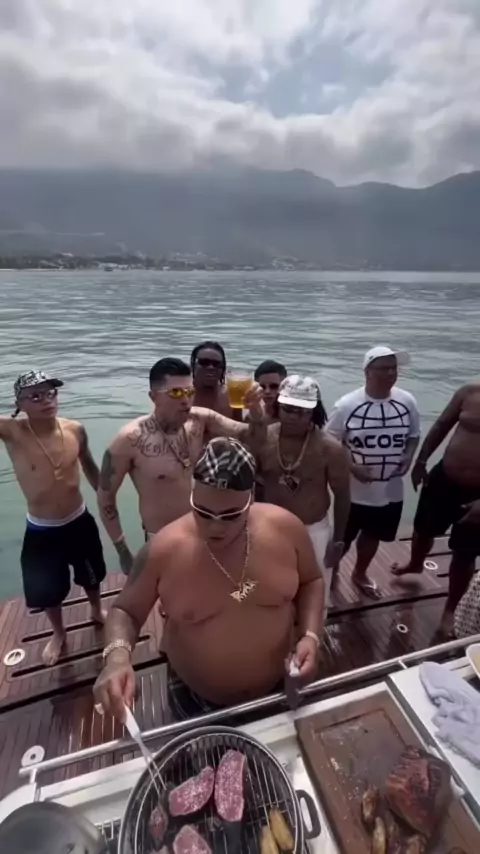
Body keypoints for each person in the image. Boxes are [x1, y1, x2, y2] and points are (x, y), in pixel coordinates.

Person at [93, 437, 324, 721]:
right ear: (192, 494)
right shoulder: (164, 551)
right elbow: (125, 611)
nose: (215, 527)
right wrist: (117, 657)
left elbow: (311, 581)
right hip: (195, 696)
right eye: (203, 512)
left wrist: (311, 636)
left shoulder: (287, 529)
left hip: (281, 683)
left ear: (251, 498)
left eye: (230, 515)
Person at [97, 357, 266, 573]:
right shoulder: (130, 440)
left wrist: (256, 411)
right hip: (162, 538)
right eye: (176, 393)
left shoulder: (200, 420)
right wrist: (122, 551)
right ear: (153, 397)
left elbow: (254, 439)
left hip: (203, 531)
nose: (186, 400)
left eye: (190, 392)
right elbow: (105, 497)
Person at [0, 370, 106, 666]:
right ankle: (59, 633)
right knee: (47, 589)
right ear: (20, 404)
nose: (47, 400)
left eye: (51, 393)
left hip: (79, 519)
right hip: (42, 528)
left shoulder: (74, 429)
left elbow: (90, 466)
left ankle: (96, 609)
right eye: (35, 396)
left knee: (92, 573)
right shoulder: (12, 431)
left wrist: (106, 498)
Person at [326, 346, 420, 599]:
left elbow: (413, 436)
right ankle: (331, 573)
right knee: (342, 538)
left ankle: (360, 573)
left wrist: (409, 456)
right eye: (383, 368)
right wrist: (352, 466)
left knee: (373, 535)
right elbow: (329, 441)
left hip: (390, 489)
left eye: (393, 368)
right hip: (353, 492)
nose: (390, 373)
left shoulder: (407, 402)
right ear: (367, 372)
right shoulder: (346, 405)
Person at [392, 383, 480, 635]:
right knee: (422, 528)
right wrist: (421, 461)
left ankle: (451, 609)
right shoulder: (469, 392)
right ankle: (415, 563)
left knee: (465, 553)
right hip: (445, 477)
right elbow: (441, 425)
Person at [257, 375, 350, 612]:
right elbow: (255, 485)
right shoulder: (263, 438)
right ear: (278, 406)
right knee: (271, 587)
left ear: (313, 413)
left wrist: (338, 541)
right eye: (288, 409)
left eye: (302, 412)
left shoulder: (330, 448)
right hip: (271, 528)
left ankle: (313, 630)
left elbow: (342, 495)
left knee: (316, 592)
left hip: (314, 530)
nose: (293, 417)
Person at [191, 340, 238, 419]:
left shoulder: (232, 396)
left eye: (217, 364)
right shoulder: (181, 394)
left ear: (223, 368)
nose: (211, 367)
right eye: (204, 362)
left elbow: (240, 423)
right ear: (193, 365)